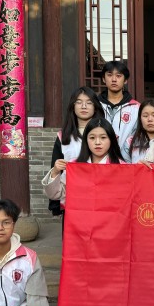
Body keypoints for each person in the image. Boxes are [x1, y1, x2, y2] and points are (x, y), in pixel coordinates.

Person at [48, 87, 105, 216]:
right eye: (79, 102)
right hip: (72, 197)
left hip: (100, 196)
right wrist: (55, 203)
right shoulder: (63, 136)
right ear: (72, 107)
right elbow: (56, 167)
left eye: (89, 102)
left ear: (95, 107)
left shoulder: (106, 134)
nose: (84, 106)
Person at [43, 117, 124, 207]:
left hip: (111, 215)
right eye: (92, 138)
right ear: (86, 140)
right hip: (79, 215)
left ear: (111, 140)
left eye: (103, 137)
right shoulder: (75, 165)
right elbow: (55, 194)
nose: (97, 142)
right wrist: (55, 172)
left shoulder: (123, 167)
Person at [98, 60, 140, 161]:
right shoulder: (95, 105)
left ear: (125, 80)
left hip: (126, 163)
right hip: (99, 163)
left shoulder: (136, 108)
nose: (114, 79)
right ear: (103, 79)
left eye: (118, 76)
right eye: (109, 75)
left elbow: (138, 137)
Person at [125, 98, 154, 164]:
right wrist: (137, 167)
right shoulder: (130, 142)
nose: (150, 119)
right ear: (140, 118)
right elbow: (123, 167)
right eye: (145, 116)